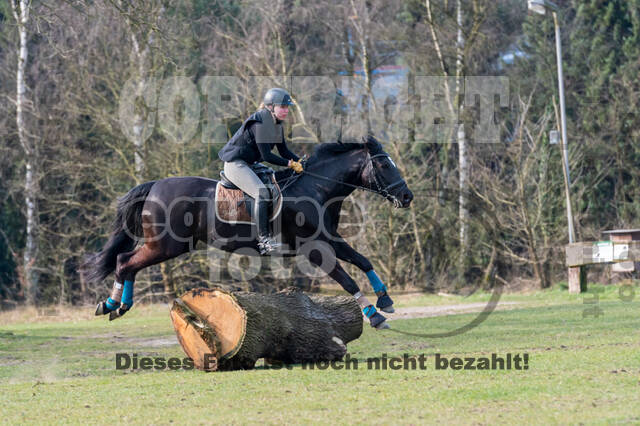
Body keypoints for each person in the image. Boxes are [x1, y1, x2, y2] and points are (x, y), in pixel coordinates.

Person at [218, 88, 304, 254]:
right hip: (235, 164)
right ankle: (264, 240)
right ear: (270, 107)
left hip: (250, 164)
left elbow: (284, 152)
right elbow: (266, 155)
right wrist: (290, 164)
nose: (286, 110)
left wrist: (301, 161)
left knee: (274, 183)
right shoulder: (260, 123)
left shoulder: (276, 125)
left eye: (287, 107)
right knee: (262, 193)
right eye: (283, 107)